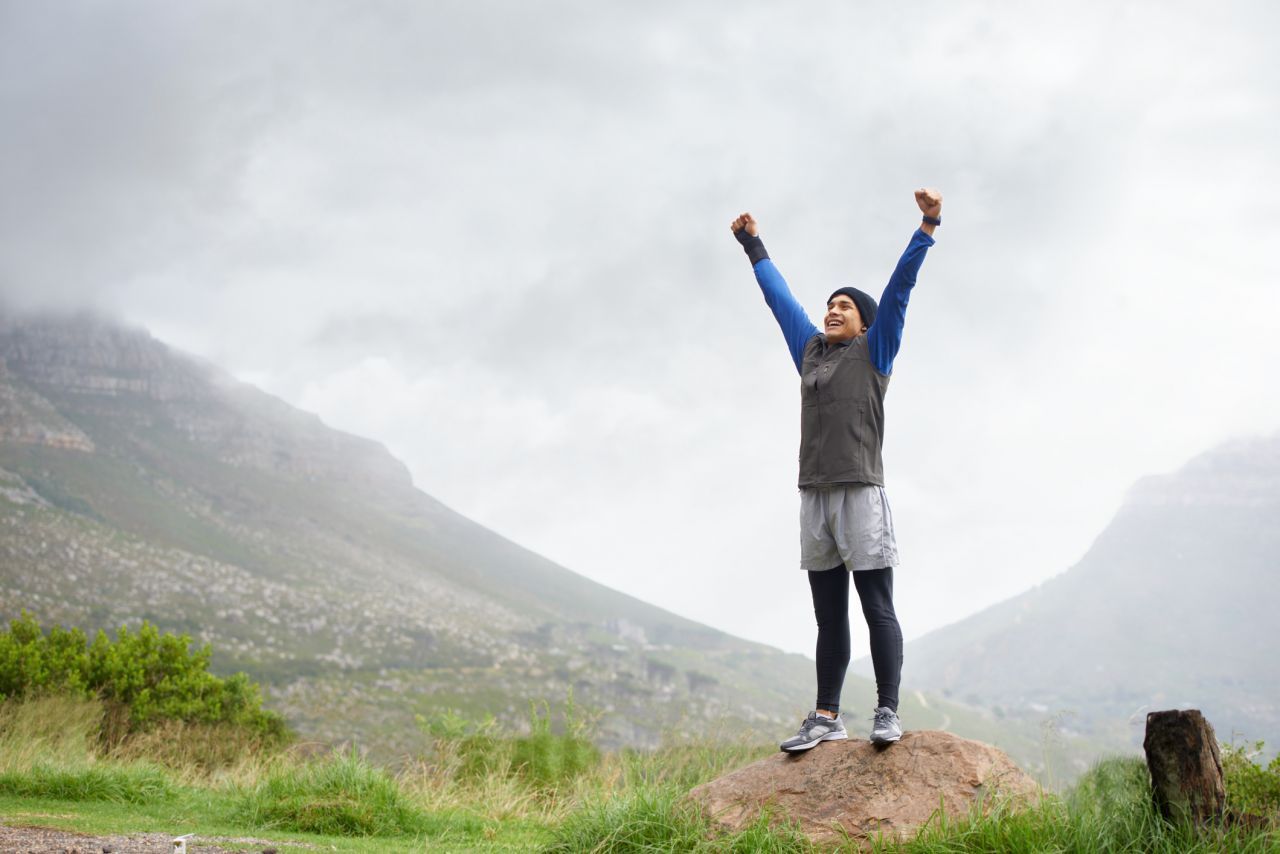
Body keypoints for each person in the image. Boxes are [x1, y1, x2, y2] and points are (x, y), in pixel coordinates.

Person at [729, 189, 941, 751]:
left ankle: (887, 711)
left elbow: (899, 291)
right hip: (814, 497)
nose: (832, 308)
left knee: (876, 605)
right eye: (830, 303)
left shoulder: (876, 353)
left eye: (844, 305)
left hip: (861, 495)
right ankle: (826, 716)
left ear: (864, 322)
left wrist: (927, 225)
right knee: (829, 617)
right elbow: (781, 302)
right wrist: (754, 245)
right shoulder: (810, 353)